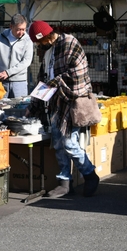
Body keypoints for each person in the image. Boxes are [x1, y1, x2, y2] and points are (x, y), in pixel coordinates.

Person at [27, 20, 100, 198]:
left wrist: (56, 82)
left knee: (69, 143)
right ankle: (64, 183)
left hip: (72, 102)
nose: (40, 45)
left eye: (41, 41)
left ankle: (90, 175)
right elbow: (43, 79)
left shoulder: (69, 43)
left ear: (47, 36)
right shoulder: (47, 52)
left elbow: (78, 74)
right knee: (58, 143)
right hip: (56, 103)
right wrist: (33, 106)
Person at [0, 14, 33, 98]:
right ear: (11, 26)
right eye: (18, 29)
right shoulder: (0, 38)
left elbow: (26, 61)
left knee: (20, 108)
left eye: (24, 29)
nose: (21, 32)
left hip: (19, 82)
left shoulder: (28, 40)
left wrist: (8, 72)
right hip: (1, 81)